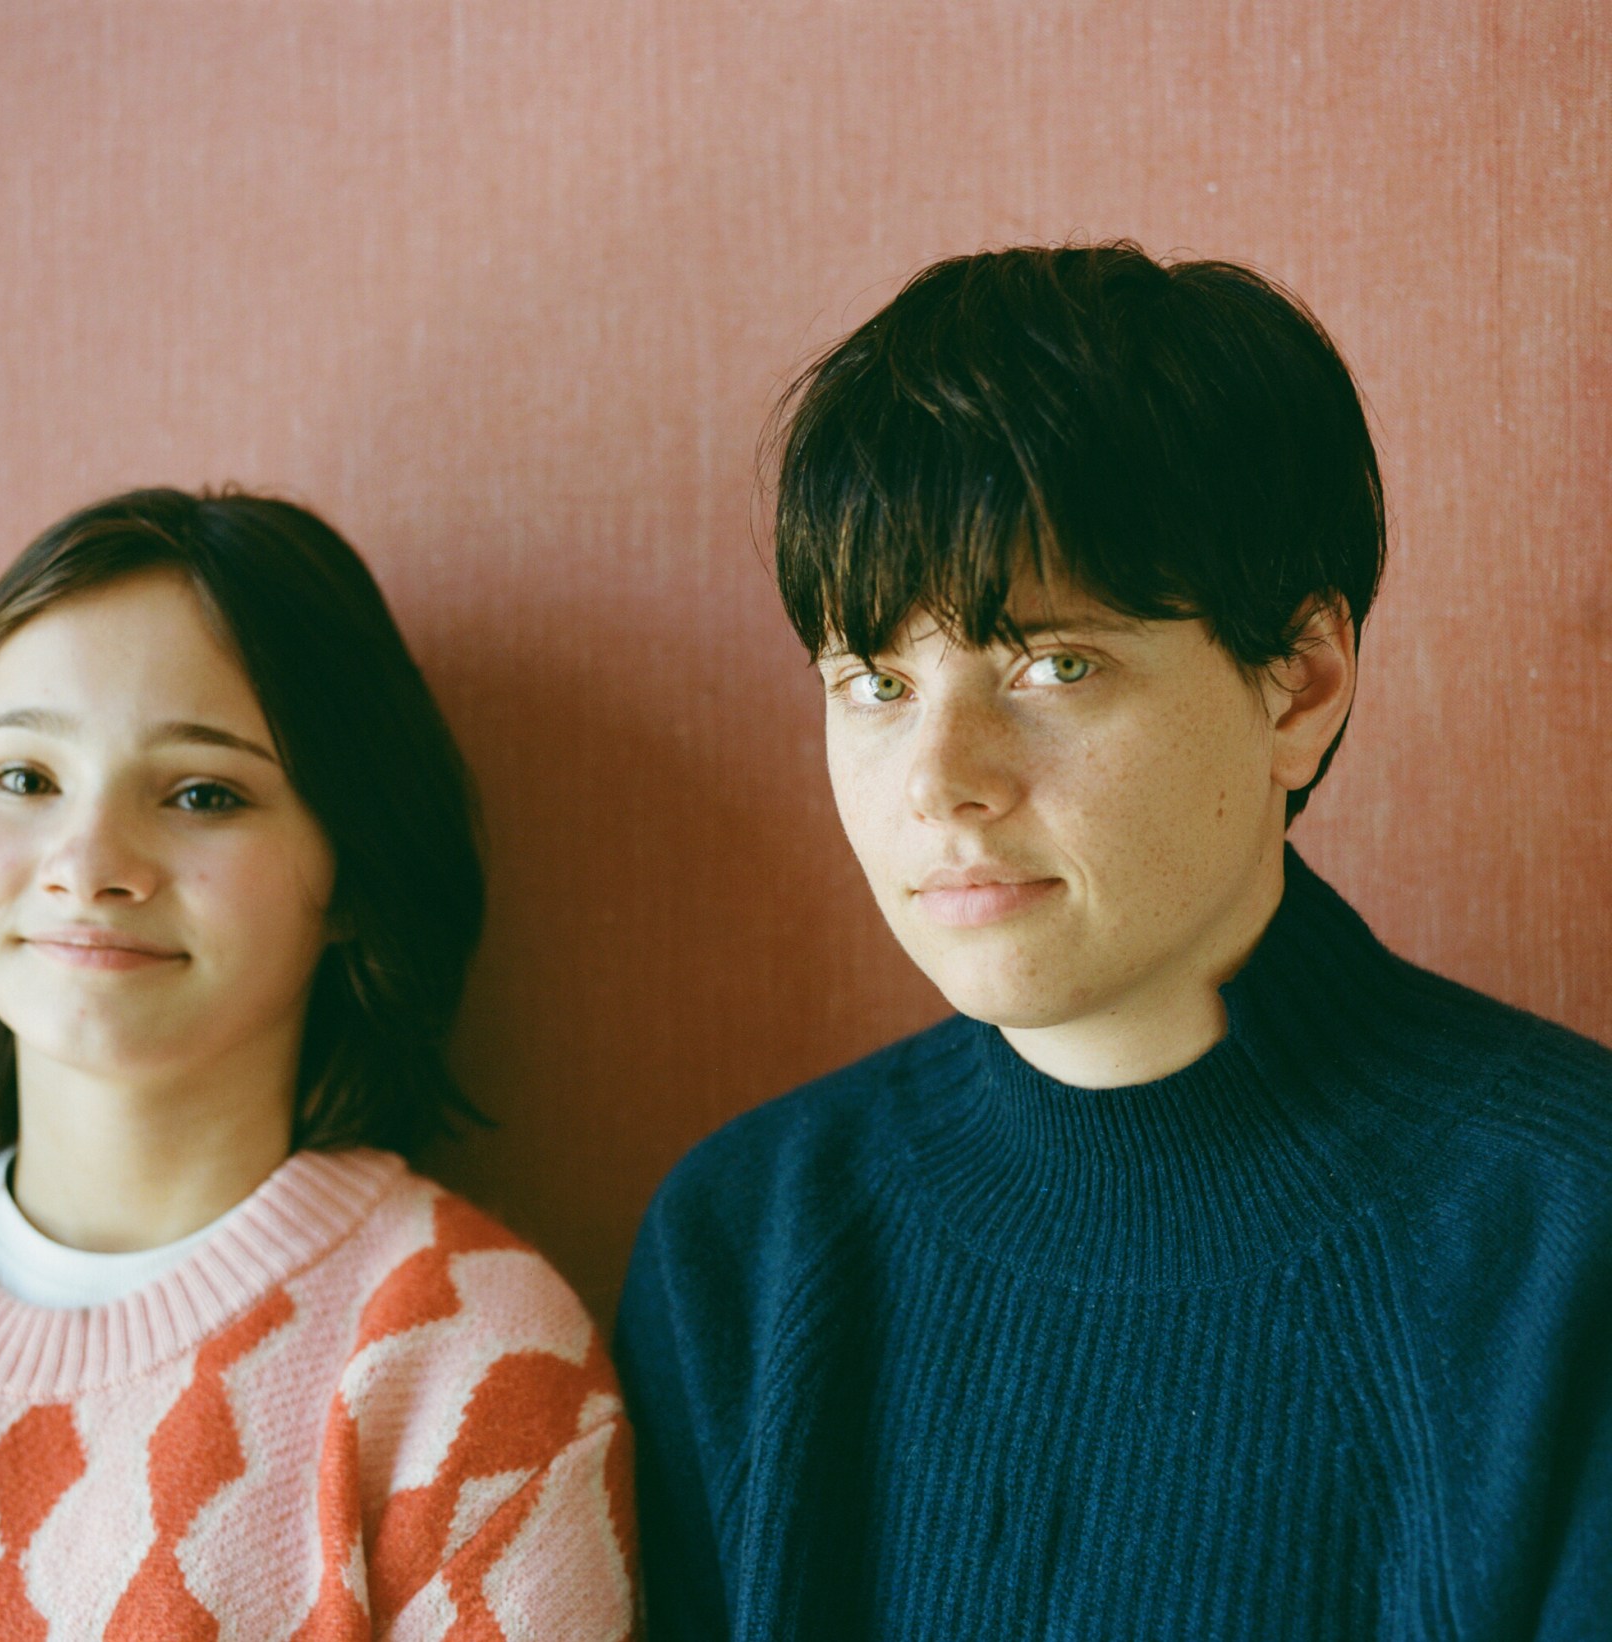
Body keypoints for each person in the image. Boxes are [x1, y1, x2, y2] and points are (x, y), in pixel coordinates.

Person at [615, 244, 1611, 1638]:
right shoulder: (749, 1245)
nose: (940, 778)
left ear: (1300, 686)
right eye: (875, 682)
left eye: (1053, 664)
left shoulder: (1565, 1239)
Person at [0, 489, 634, 1638]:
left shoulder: (465, 1360)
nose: (89, 862)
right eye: (26, 778)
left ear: (351, 869)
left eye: (203, 794)